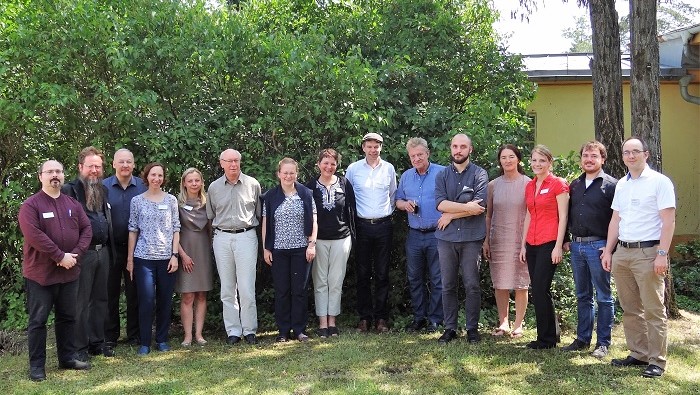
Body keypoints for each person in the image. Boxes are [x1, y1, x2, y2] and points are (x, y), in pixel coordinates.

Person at [602, 136, 676, 379]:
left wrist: (662, 254)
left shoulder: (660, 182)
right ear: (622, 157)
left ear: (646, 154)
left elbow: (668, 221)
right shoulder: (622, 184)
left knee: (654, 310)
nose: (630, 156)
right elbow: (616, 220)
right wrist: (608, 250)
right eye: (626, 152)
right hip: (622, 252)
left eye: (635, 151)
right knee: (630, 308)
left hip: (649, 253)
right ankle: (639, 353)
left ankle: (657, 361)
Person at [19, 160, 92, 381]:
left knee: (68, 317)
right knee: (38, 321)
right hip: (41, 275)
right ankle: (37, 366)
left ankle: (67, 358)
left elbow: (86, 229)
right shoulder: (31, 206)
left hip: (69, 273)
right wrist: (60, 256)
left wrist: (75, 255)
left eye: (58, 171)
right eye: (50, 171)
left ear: (63, 175)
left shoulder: (72, 203)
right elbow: (34, 235)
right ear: (40, 176)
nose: (55, 175)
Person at [562, 141, 617, 358]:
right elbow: (566, 215)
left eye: (594, 156)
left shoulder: (612, 185)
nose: (589, 159)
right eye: (585, 155)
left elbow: (618, 218)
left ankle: (603, 343)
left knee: (604, 296)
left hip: (599, 246)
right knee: (583, 295)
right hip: (577, 246)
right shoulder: (574, 185)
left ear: (602, 159)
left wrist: (610, 248)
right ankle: (582, 338)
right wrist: (567, 239)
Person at [61, 146, 115, 361]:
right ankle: (79, 347)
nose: (94, 170)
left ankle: (97, 342)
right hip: (82, 254)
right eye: (91, 166)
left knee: (101, 299)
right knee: (80, 302)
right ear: (80, 167)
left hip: (104, 252)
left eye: (98, 166)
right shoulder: (69, 190)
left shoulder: (103, 190)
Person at [434, 134, 488, 344]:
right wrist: (466, 207)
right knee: (447, 285)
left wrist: (451, 214)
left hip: (471, 239)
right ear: (451, 148)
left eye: (463, 147)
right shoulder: (442, 175)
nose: (458, 150)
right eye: (455, 146)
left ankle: (472, 329)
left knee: (472, 285)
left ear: (470, 150)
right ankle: (450, 328)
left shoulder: (479, 174)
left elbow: (480, 206)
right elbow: (440, 204)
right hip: (446, 239)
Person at [206, 149, 261, 345]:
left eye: (236, 160)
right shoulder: (213, 188)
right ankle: (233, 331)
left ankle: (249, 330)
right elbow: (211, 215)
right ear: (221, 163)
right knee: (227, 288)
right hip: (222, 237)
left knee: (246, 287)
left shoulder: (252, 184)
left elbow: (258, 214)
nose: (233, 164)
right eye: (228, 161)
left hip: (246, 236)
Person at [127, 162, 180, 355]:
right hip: (143, 258)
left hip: (166, 258)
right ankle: (145, 342)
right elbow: (132, 230)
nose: (156, 179)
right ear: (146, 177)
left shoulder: (171, 200)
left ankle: (162, 339)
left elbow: (176, 229)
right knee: (147, 300)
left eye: (160, 175)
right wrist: (130, 259)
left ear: (163, 178)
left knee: (165, 300)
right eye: (153, 175)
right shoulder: (137, 201)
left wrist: (174, 255)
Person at [345, 132, 397, 333]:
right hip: (361, 226)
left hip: (384, 225)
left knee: (383, 273)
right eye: (369, 146)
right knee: (363, 273)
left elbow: (393, 194)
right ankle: (364, 318)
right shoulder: (353, 169)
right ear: (363, 148)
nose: (373, 150)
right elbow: (348, 196)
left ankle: (381, 319)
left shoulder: (389, 169)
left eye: (376, 146)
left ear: (381, 148)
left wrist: (385, 215)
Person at [519, 145, 569, 350]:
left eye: (542, 160)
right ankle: (551, 335)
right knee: (539, 289)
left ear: (550, 163)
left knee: (540, 288)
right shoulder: (530, 186)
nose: (537, 164)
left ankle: (545, 339)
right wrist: (523, 245)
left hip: (549, 242)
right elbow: (529, 215)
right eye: (534, 160)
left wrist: (558, 246)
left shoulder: (559, 184)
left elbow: (564, 216)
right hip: (531, 242)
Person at [262, 158, 318, 342]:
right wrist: (266, 248)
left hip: (301, 250)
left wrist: (311, 245)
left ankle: (300, 330)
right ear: (278, 174)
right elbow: (265, 224)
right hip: (278, 250)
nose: (288, 176)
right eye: (285, 172)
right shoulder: (270, 196)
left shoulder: (306, 193)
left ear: (297, 174)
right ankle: (283, 331)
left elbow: (314, 221)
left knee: (299, 290)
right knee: (282, 291)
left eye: (291, 172)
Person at [395, 138, 445, 333]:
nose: (416, 158)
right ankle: (419, 318)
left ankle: (435, 319)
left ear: (427, 154)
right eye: (412, 156)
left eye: (419, 155)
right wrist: (404, 205)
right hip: (415, 234)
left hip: (437, 234)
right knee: (415, 278)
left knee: (437, 278)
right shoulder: (406, 176)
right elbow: (398, 200)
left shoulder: (441, 173)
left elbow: (452, 199)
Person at [306, 149, 356, 338]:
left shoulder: (344, 183)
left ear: (337, 165)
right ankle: (322, 322)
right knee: (320, 282)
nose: (329, 166)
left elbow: (351, 209)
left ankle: (333, 322)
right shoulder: (310, 187)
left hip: (341, 238)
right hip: (318, 240)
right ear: (318, 164)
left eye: (332, 163)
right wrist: (309, 240)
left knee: (336, 281)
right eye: (325, 162)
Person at [483, 144, 530, 339]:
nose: (507, 160)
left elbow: (531, 214)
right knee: (500, 283)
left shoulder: (529, 183)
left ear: (518, 159)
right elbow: (488, 215)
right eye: (504, 157)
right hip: (498, 238)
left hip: (520, 238)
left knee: (521, 283)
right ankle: (503, 322)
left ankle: (518, 324)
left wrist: (526, 243)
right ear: (499, 161)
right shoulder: (493, 185)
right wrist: (486, 240)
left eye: (511, 157)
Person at [103, 148, 147, 347]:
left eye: (128, 162)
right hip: (110, 249)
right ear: (113, 164)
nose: (125, 165)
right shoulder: (103, 187)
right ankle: (110, 336)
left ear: (134, 164)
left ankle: (134, 334)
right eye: (121, 162)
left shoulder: (143, 186)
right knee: (109, 293)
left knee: (135, 293)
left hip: (138, 249)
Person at [175, 168, 213, 347]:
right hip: (185, 251)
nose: (194, 184)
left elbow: (211, 229)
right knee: (188, 295)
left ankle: (199, 334)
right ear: (184, 183)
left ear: (201, 182)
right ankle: (187, 335)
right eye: (190, 181)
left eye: (197, 180)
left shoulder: (207, 202)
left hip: (203, 251)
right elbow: (173, 231)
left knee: (201, 295)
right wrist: (182, 255)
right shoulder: (177, 203)